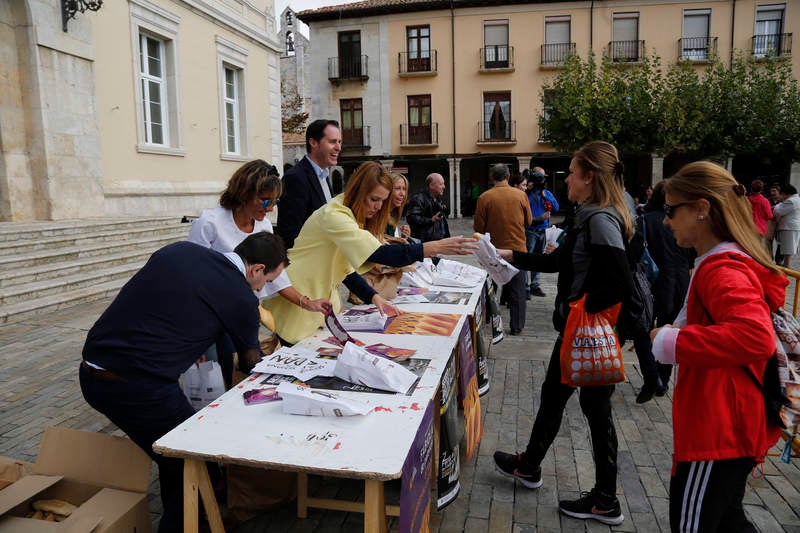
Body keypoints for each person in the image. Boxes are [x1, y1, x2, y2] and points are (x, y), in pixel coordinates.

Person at [80, 232, 288, 532]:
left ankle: (202, 516)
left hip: (91, 370)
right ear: (256, 269)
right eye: (267, 280)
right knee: (190, 458)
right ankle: (183, 524)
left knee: (172, 450)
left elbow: (169, 301)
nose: (264, 287)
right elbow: (249, 363)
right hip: (137, 387)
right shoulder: (241, 297)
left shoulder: (180, 251)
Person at [492, 141, 633, 525]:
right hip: (580, 331)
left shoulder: (601, 218)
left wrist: (584, 309)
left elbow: (620, 280)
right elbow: (557, 261)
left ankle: (605, 500)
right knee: (554, 397)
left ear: (588, 178)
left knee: (596, 411)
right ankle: (530, 465)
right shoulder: (591, 214)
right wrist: (512, 256)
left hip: (590, 333)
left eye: (572, 172)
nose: (566, 178)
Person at [650, 161, 785, 532]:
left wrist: (670, 341)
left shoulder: (722, 269)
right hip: (728, 424)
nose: (666, 221)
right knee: (729, 521)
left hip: (718, 429)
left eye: (671, 210)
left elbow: (754, 336)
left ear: (701, 209)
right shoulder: (720, 262)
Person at [264, 161, 476, 345]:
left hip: (318, 307)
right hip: (298, 304)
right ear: (358, 191)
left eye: (382, 200)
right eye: (374, 199)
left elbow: (344, 270)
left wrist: (373, 297)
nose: (378, 207)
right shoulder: (335, 216)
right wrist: (433, 247)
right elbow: (379, 253)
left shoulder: (349, 216)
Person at [188, 159, 331, 387]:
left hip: (244, 315)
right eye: (265, 200)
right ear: (244, 192)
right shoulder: (210, 223)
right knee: (216, 376)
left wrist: (306, 302)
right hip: (212, 319)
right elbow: (192, 279)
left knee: (248, 370)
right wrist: (193, 340)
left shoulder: (263, 226)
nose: (270, 208)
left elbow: (276, 277)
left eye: (274, 202)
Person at [629, 181, 693, 403]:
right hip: (680, 281)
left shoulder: (645, 221)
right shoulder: (684, 222)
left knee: (641, 329)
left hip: (650, 282)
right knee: (670, 329)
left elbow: (634, 253)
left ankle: (652, 376)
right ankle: (662, 378)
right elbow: (692, 254)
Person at [474, 163, 532, 335]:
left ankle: (487, 320)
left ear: (492, 178)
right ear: (508, 176)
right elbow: (528, 221)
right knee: (518, 291)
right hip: (517, 250)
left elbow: (478, 227)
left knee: (491, 288)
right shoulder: (521, 196)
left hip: (493, 251)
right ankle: (517, 325)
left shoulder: (484, 198)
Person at [276, 119, 342, 249]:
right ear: (313, 143)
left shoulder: (324, 175)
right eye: (332, 141)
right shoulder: (295, 178)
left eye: (339, 142)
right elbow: (290, 234)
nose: (338, 147)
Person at [525, 167, 560, 298]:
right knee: (527, 259)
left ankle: (535, 285)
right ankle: (525, 287)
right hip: (530, 230)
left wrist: (545, 198)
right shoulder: (526, 193)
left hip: (543, 230)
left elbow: (556, 208)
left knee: (538, 258)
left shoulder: (546, 193)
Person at [407, 172, 451, 242]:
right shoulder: (418, 199)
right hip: (426, 244)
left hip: (439, 242)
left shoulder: (437, 199)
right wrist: (431, 220)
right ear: (431, 185)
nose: (444, 187)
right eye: (441, 184)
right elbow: (412, 219)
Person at [773, 183, 800, 267]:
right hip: (792, 227)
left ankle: (786, 267)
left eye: (782, 194)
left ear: (787, 193)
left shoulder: (791, 201)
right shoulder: (797, 199)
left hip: (788, 228)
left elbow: (778, 211)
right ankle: (786, 266)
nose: (782, 197)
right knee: (788, 250)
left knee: (787, 250)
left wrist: (777, 206)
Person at [748, 179, 773, 254]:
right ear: (761, 189)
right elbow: (769, 216)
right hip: (761, 228)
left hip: (749, 226)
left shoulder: (747, 200)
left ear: (751, 188)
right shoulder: (765, 201)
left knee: (750, 248)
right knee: (760, 249)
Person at [387, 173, 412, 240]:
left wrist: (403, 238)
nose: (402, 194)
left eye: (404, 189)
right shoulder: (380, 217)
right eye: (398, 188)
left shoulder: (393, 215)